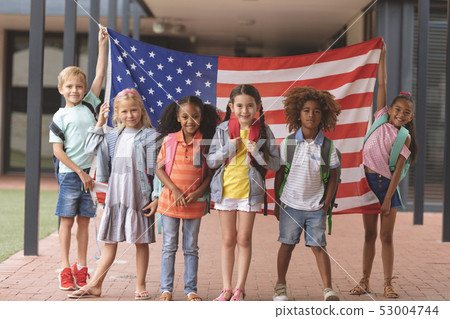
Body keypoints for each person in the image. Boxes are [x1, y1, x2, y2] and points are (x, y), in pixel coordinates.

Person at [68, 88, 159, 299]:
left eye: (134, 110)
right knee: (110, 240)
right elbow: (89, 148)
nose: (130, 115)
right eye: (124, 112)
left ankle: (140, 284)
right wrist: (100, 122)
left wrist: (155, 197)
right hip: (116, 195)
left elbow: (155, 171)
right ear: (117, 114)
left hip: (139, 196)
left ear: (142, 110)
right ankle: (96, 284)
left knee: (141, 242)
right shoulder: (112, 136)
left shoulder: (151, 136)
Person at [349, 43, 417, 298]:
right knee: (369, 235)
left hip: (387, 188)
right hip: (367, 184)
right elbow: (382, 85)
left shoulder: (404, 137)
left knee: (386, 238)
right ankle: (364, 281)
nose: (401, 114)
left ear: (410, 117)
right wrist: (383, 56)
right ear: (390, 109)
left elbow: (398, 171)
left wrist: (388, 198)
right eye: (397, 109)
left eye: (406, 112)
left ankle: (388, 283)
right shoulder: (379, 118)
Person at [207, 84, 280, 301]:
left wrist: (257, 152)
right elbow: (211, 161)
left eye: (250, 106)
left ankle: (240, 288)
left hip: (250, 192)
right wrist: (229, 147)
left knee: (244, 238)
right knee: (228, 238)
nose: (245, 111)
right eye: (239, 106)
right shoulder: (222, 130)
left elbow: (275, 165)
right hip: (225, 190)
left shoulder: (265, 131)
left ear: (258, 106)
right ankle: (226, 287)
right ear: (231, 107)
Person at [49, 26, 108, 291]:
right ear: (61, 89)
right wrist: (81, 173)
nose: (75, 90)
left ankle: (82, 269)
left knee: (85, 222)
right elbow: (57, 151)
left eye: (79, 86)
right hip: (70, 175)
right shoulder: (59, 116)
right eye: (70, 86)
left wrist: (102, 45)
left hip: (89, 175)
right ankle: (64, 268)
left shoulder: (88, 105)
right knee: (67, 222)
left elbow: (100, 73)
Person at [273, 86, 341, 301]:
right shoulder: (289, 143)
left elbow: (333, 177)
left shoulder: (328, 146)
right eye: (306, 110)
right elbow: (279, 175)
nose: (311, 115)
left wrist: (326, 204)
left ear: (324, 115)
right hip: (290, 204)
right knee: (287, 244)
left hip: (316, 207)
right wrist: (277, 203)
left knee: (319, 247)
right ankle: (280, 285)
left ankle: (328, 289)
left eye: (317, 111)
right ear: (298, 114)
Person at [155, 96, 220, 301]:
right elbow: (159, 169)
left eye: (195, 116)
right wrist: (174, 189)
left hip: (194, 203)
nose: (190, 121)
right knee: (169, 246)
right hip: (169, 202)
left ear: (202, 117)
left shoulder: (205, 142)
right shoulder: (169, 140)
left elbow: (210, 173)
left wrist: (199, 192)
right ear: (178, 118)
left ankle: (191, 289)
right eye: (185, 116)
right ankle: (166, 289)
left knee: (191, 247)